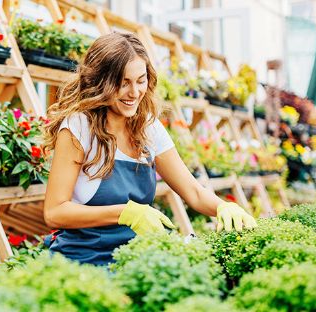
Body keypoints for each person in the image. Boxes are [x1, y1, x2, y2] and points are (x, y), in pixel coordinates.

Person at [42, 32, 257, 266]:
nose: (134, 93)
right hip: (84, 260)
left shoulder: (148, 127)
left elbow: (193, 192)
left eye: (140, 80)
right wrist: (126, 213)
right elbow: (55, 212)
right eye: (123, 83)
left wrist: (223, 207)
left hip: (135, 257)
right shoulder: (79, 128)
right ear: (100, 82)